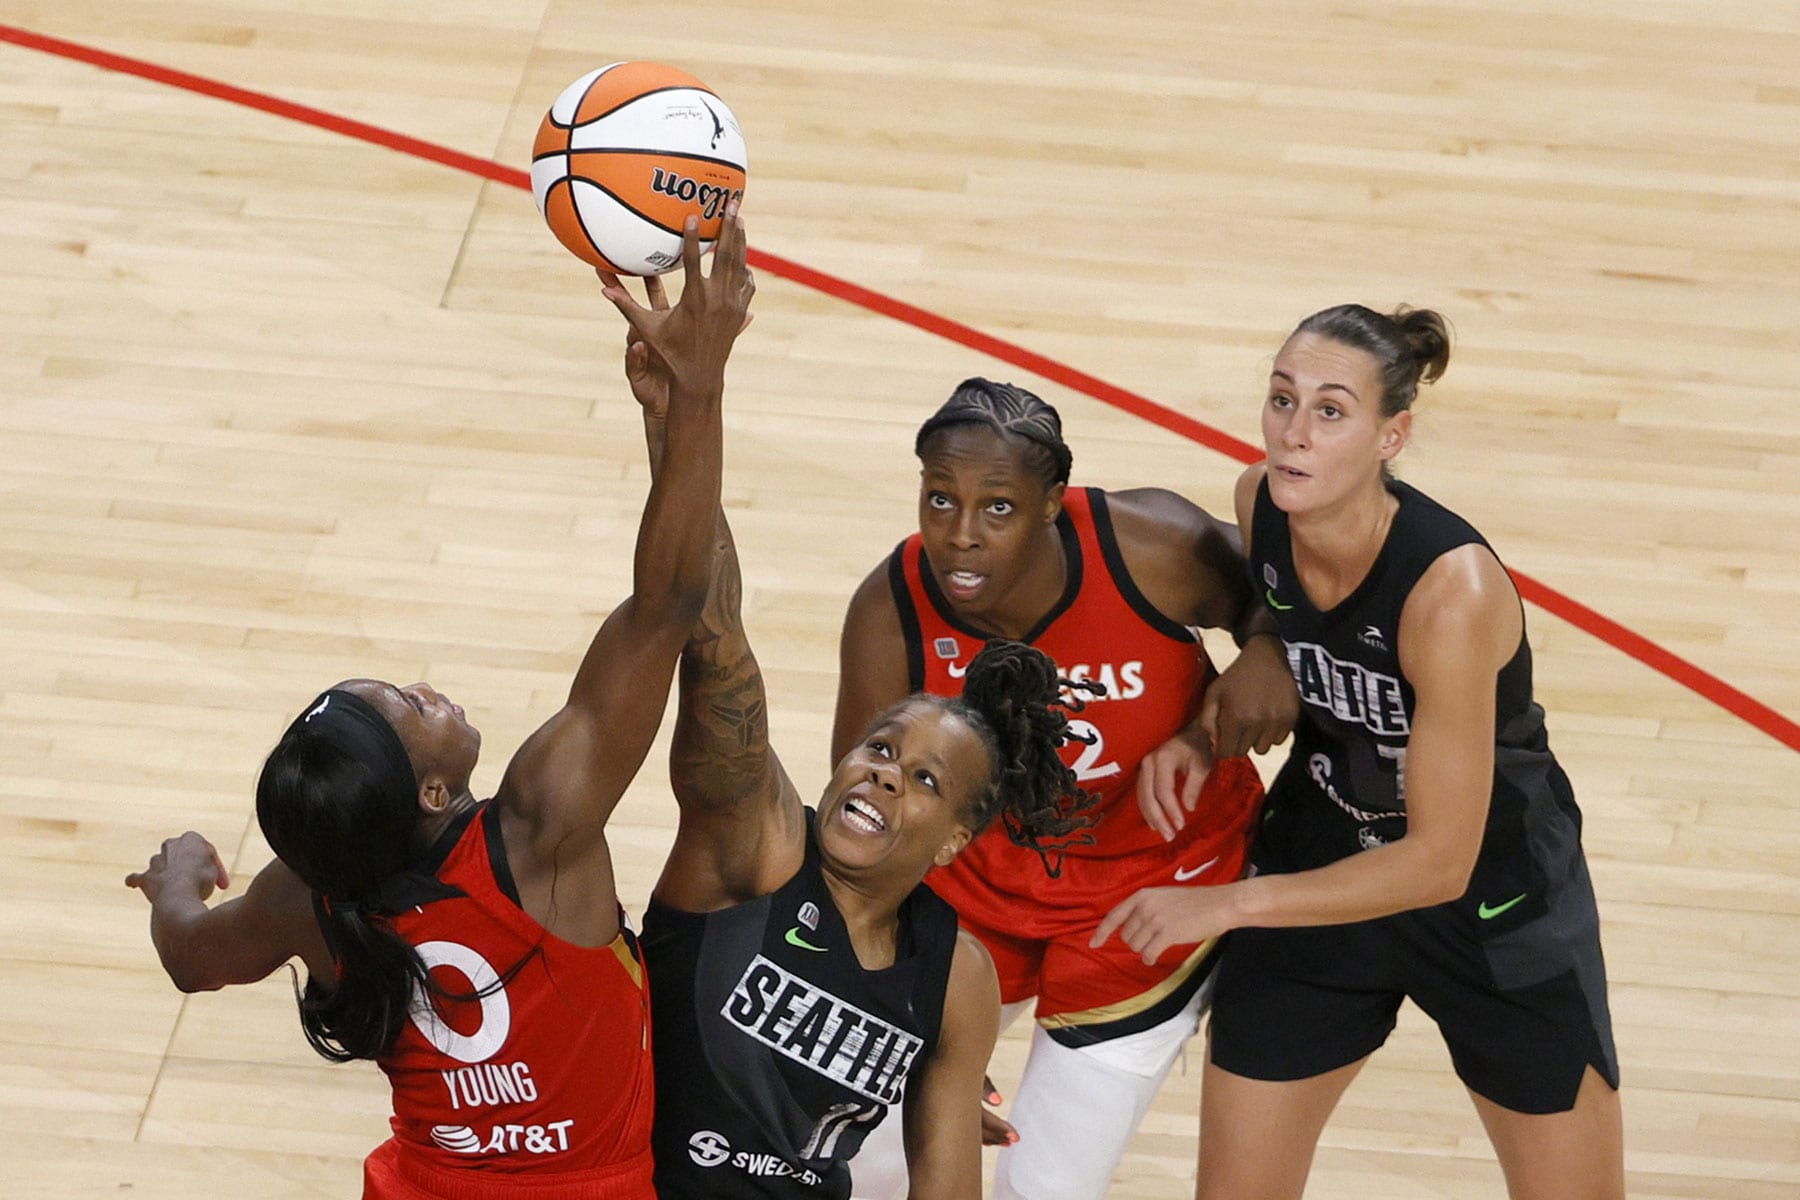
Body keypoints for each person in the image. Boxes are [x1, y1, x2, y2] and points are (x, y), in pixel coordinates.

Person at [123, 210, 755, 1200]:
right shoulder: (540, 832)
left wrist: (174, 883)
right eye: (402, 705)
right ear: (426, 791)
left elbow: (192, 961)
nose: (418, 685)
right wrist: (697, 392)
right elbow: (672, 601)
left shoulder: (308, 898)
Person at [1094, 304, 1625, 1199]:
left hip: (1490, 896)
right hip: (1324, 847)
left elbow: (1438, 862)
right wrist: (1207, 723)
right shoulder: (1260, 502)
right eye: (1281, 399)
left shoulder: (1450, 593)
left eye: (1331, 411)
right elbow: (1294, 624)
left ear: (1392, 436)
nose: (1293, 434)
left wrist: (1224, 906)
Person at [608, 292, 1099, 1200]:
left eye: (921, 779)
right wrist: (684, 408)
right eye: (878, 748)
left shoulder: (956, 977)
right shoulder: (752, 848)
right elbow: (711, 630)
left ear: (952, 841)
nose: (881, 771)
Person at [832, 378, 1301, 1200]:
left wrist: (1267, 647)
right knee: (868, 1162)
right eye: (939, 500)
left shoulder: (1150, 545)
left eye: (999, 508)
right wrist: (908, 1015)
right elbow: (865, 828)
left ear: (1054, 504)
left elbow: (1292, 594)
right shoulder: (891, 606)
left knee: (1042, 1188)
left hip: (1155, 886)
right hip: (977, 885)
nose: (962, 536)